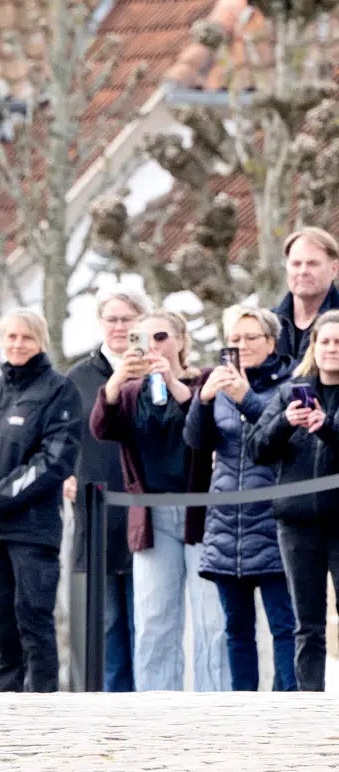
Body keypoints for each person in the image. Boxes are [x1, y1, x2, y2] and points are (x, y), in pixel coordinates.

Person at [91, 309, 229, 692]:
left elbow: (206, 424)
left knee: (211, 618)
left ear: (181, 340)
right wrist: (118, 379)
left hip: (201, 514)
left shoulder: (201, 381)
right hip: (151, 514)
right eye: (144, 338)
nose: (153, 346)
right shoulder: (133, 393)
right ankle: (156, 705)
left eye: (162, 337)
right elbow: (102, 428)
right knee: (154, 618)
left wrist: (172, 381)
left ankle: (215, 704)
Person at [0, 309, 80, 693]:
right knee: (1, 625)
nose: (17, 344)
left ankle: (41, 709)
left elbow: (53, 460)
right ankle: (5, 706)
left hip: (31, 531)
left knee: (33, 622)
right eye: (10, 337)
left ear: (40, 341)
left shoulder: (59, 390)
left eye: (26, 337)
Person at [186, 305, 296, 691]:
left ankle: (288, 703)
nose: (242, 345)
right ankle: (243, 707)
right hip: (227, 522)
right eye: (235, 339)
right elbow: (196, 442)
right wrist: (203, 399)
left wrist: (246, 396)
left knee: (285, 624)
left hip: (274, 519)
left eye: (251, 338)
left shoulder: (292, 381)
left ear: (271, 342)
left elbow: (284, 432)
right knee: (236, 628)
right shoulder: (219, 386)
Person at [64, 289, 148, 692]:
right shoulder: (77, 378)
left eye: (127, 319)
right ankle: (115, 710)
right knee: (109, 624)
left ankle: (149, 705)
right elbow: (58, 439)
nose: (119, 328)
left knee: (146, 621)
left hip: (145, 513)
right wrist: (62, 474)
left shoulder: (156, 372)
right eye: (112, 319)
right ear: (101, 324)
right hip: (95, 515)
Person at [252, 309, 339, 691]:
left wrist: (329, 429)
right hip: (297, 521)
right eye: (325, 341)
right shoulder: (291, 391)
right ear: (313, 347)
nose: (332, 349)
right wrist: (286, 421)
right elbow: (258, 448)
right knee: (307, 623)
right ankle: (309, 706)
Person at [273, 227, 339, 368]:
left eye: (312, 264)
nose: (303, 271)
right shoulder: (268, 326)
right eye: (296, 264)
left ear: (334, 270)